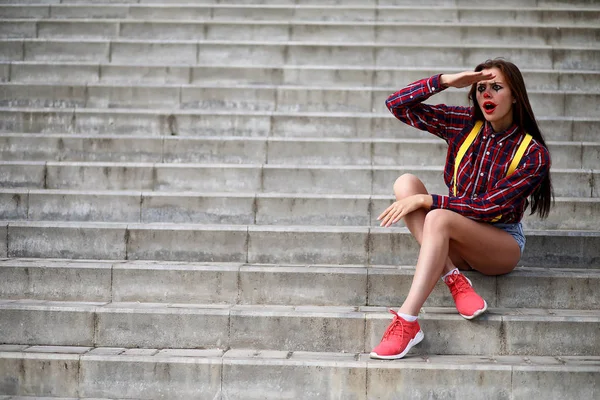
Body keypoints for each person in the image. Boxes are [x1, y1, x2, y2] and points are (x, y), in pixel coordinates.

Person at [369, 58, 553, 360]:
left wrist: (429, 201)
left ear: (515, 94)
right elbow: (397, 104)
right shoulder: (465, 124)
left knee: (437, 215)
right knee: (406, 184)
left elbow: (488, 206)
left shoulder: (533, 153)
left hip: (498, 244)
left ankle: (407, 321)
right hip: (453, 236)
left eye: (496, 87)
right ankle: (455, 279)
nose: (487, 95)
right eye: (481, 88)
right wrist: (444, 81)